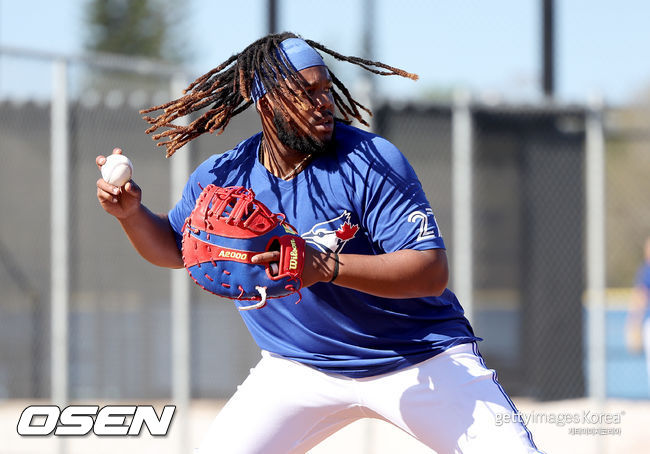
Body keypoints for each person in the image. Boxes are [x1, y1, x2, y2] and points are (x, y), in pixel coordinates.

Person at [96, 32, 540, 454]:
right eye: (305, 93)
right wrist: (132, 215)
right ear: (265, 103)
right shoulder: (223, 176)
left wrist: (326, 267)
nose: (323, 103)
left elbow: (429, 272)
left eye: (325, 89)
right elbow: (175, 250)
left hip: (420, 357)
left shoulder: (369, 160)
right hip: (298, 368)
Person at [626, 237, 650, 386]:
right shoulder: (646, 271)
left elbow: (639, 298)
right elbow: (640, 297)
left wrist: (633, 324)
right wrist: (634, 325)